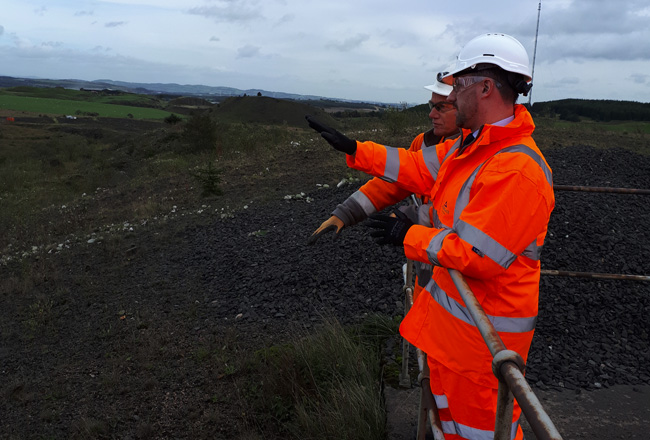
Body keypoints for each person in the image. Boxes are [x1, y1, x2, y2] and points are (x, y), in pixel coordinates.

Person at [306, 33, 555, 440]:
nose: (452, 97)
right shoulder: (475, 148)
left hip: (482, 349)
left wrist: (409, 235)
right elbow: (414, 167)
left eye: (458, 86)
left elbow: (477, 254)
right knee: (444, 430)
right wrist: (355, 148)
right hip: (452, 337)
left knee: (477, 434)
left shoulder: (516, 170)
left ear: (486, 88)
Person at [308, 76, 459, 303]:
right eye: (431, 106)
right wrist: (345, 213)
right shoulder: (425, 143)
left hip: (460, 281)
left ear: (466, 103)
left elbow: (461, 221)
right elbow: (395, 183)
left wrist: (413, 219)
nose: (431, 114)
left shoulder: (475, 155)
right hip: (428, 263)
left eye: (441, 107)